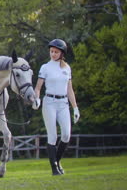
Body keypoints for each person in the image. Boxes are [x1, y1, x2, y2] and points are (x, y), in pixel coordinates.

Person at [34, 39, 80, 176]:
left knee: (66, 134)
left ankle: (57, 161)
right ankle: (54, 168)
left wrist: (75, 107)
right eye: (51, 51)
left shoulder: (67, 68)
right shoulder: (45, 68)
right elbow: (38, 88)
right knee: (52, 136)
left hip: (63, 103)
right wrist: (36, 99)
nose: (53, 54)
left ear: (62, 53)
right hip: (49, 102)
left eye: (56, 52)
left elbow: (69, 90)